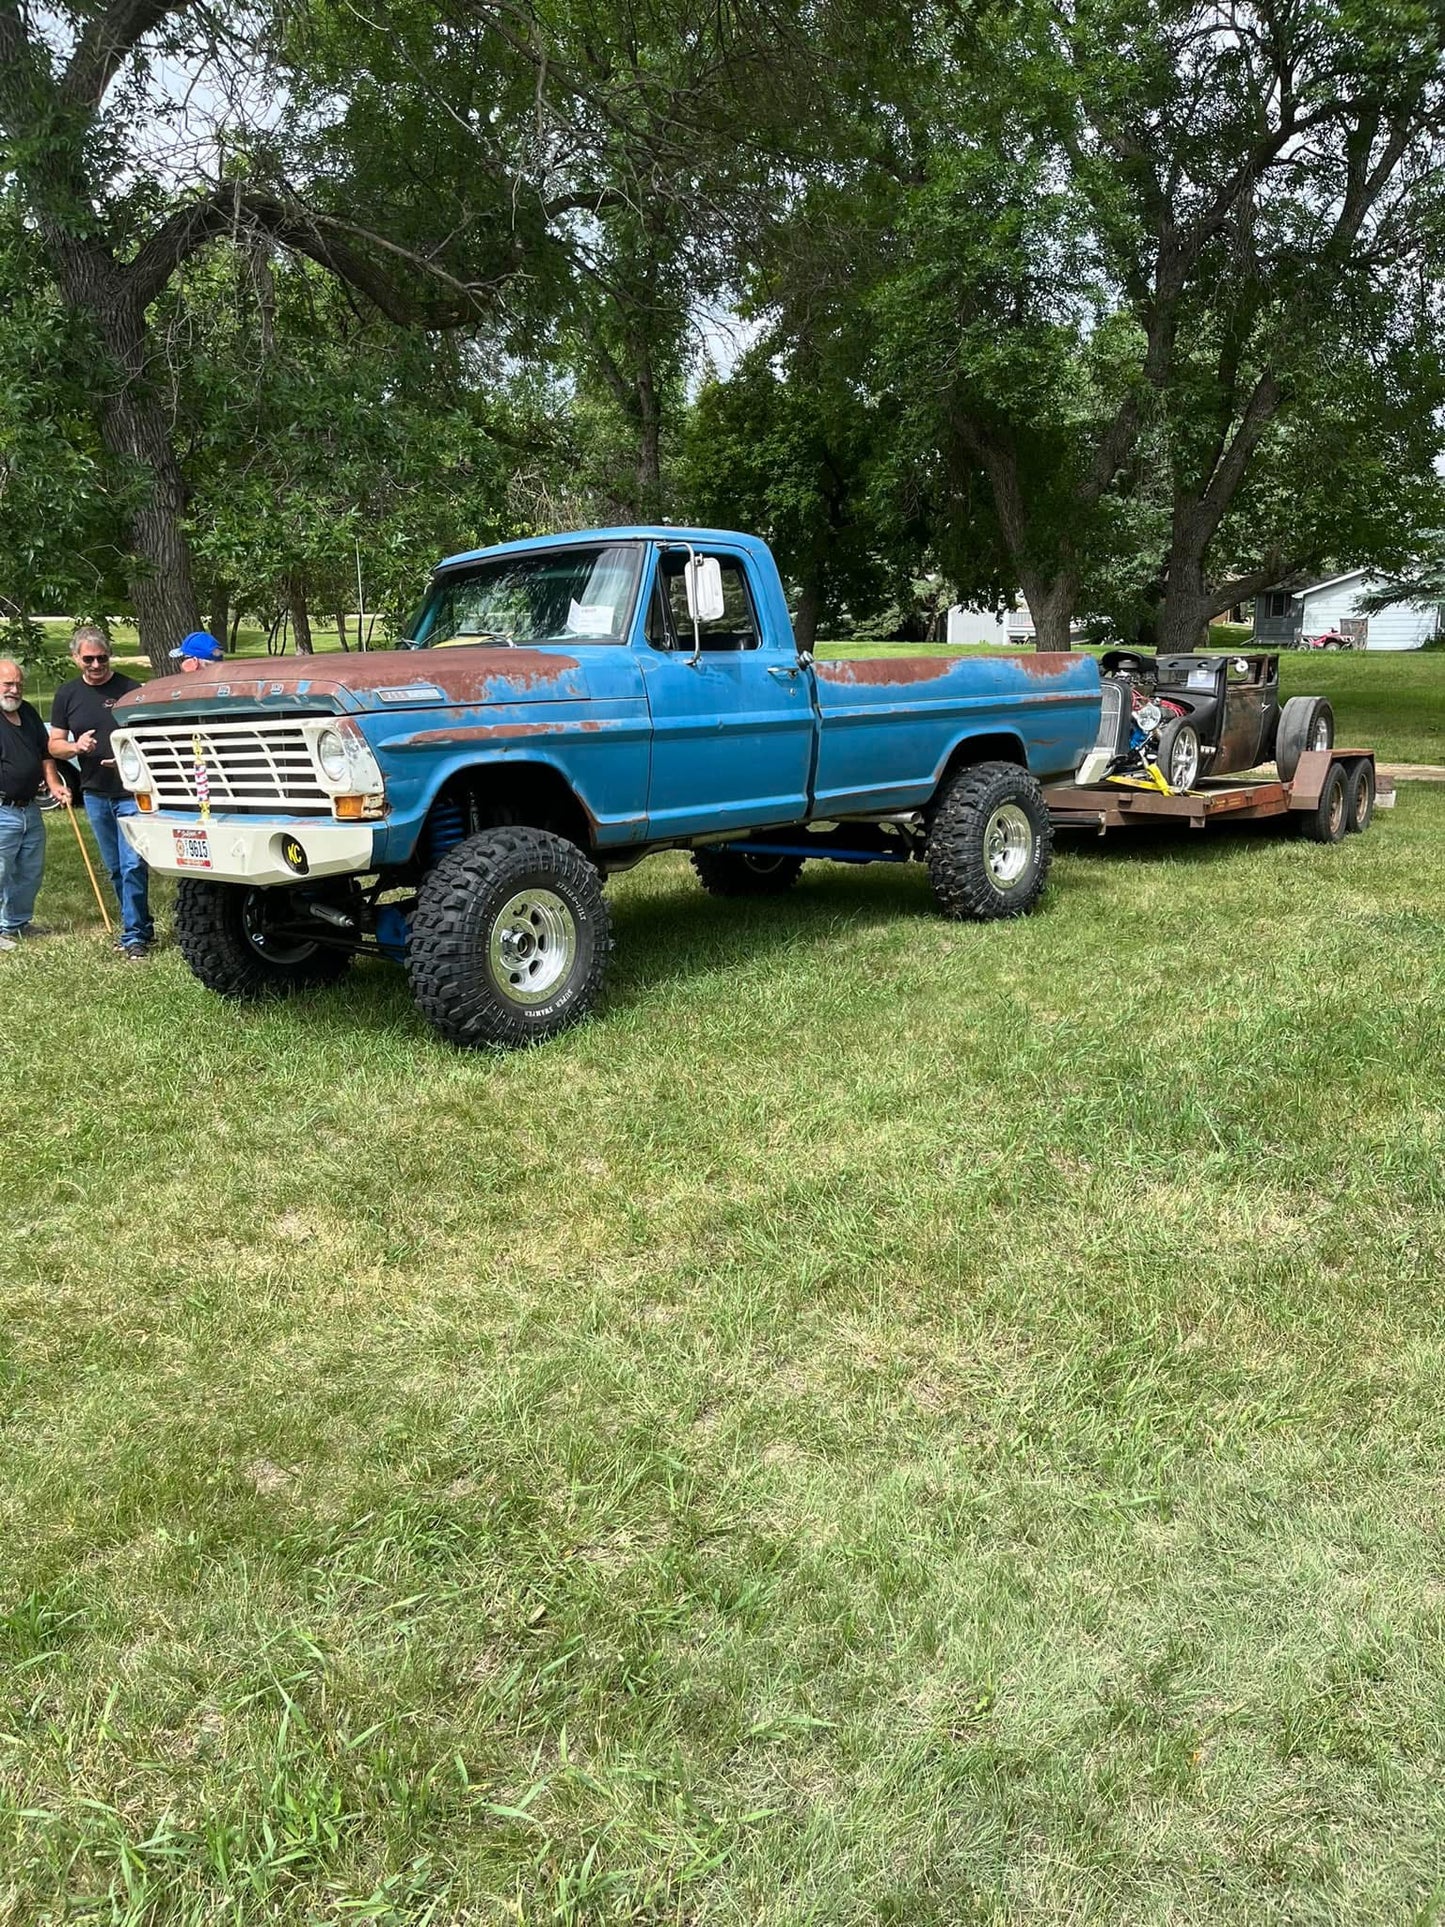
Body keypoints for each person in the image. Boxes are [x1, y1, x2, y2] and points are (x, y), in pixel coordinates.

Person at [48, 625, 153, 960]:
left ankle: (134, 935)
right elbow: (54, 744)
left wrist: (126, 758)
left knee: (133, 863)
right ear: (76, 658)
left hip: (131, 792)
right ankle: (139, 924)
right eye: (88, 659)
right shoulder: (67, 695)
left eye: (102, 658)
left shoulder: (128, 689)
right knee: (115, 868)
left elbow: (149, 738)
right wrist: (76, 747)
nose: (96, 665)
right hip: (94, 793)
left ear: (110, 656)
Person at [0, 658, 73, 951]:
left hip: (29, 808)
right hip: (2, 809)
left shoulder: (27, 712)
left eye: (19, 684)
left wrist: (54, 784)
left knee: (29, 870)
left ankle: (16, 924)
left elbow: (46, 754)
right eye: (8, 684)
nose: (14, 690)